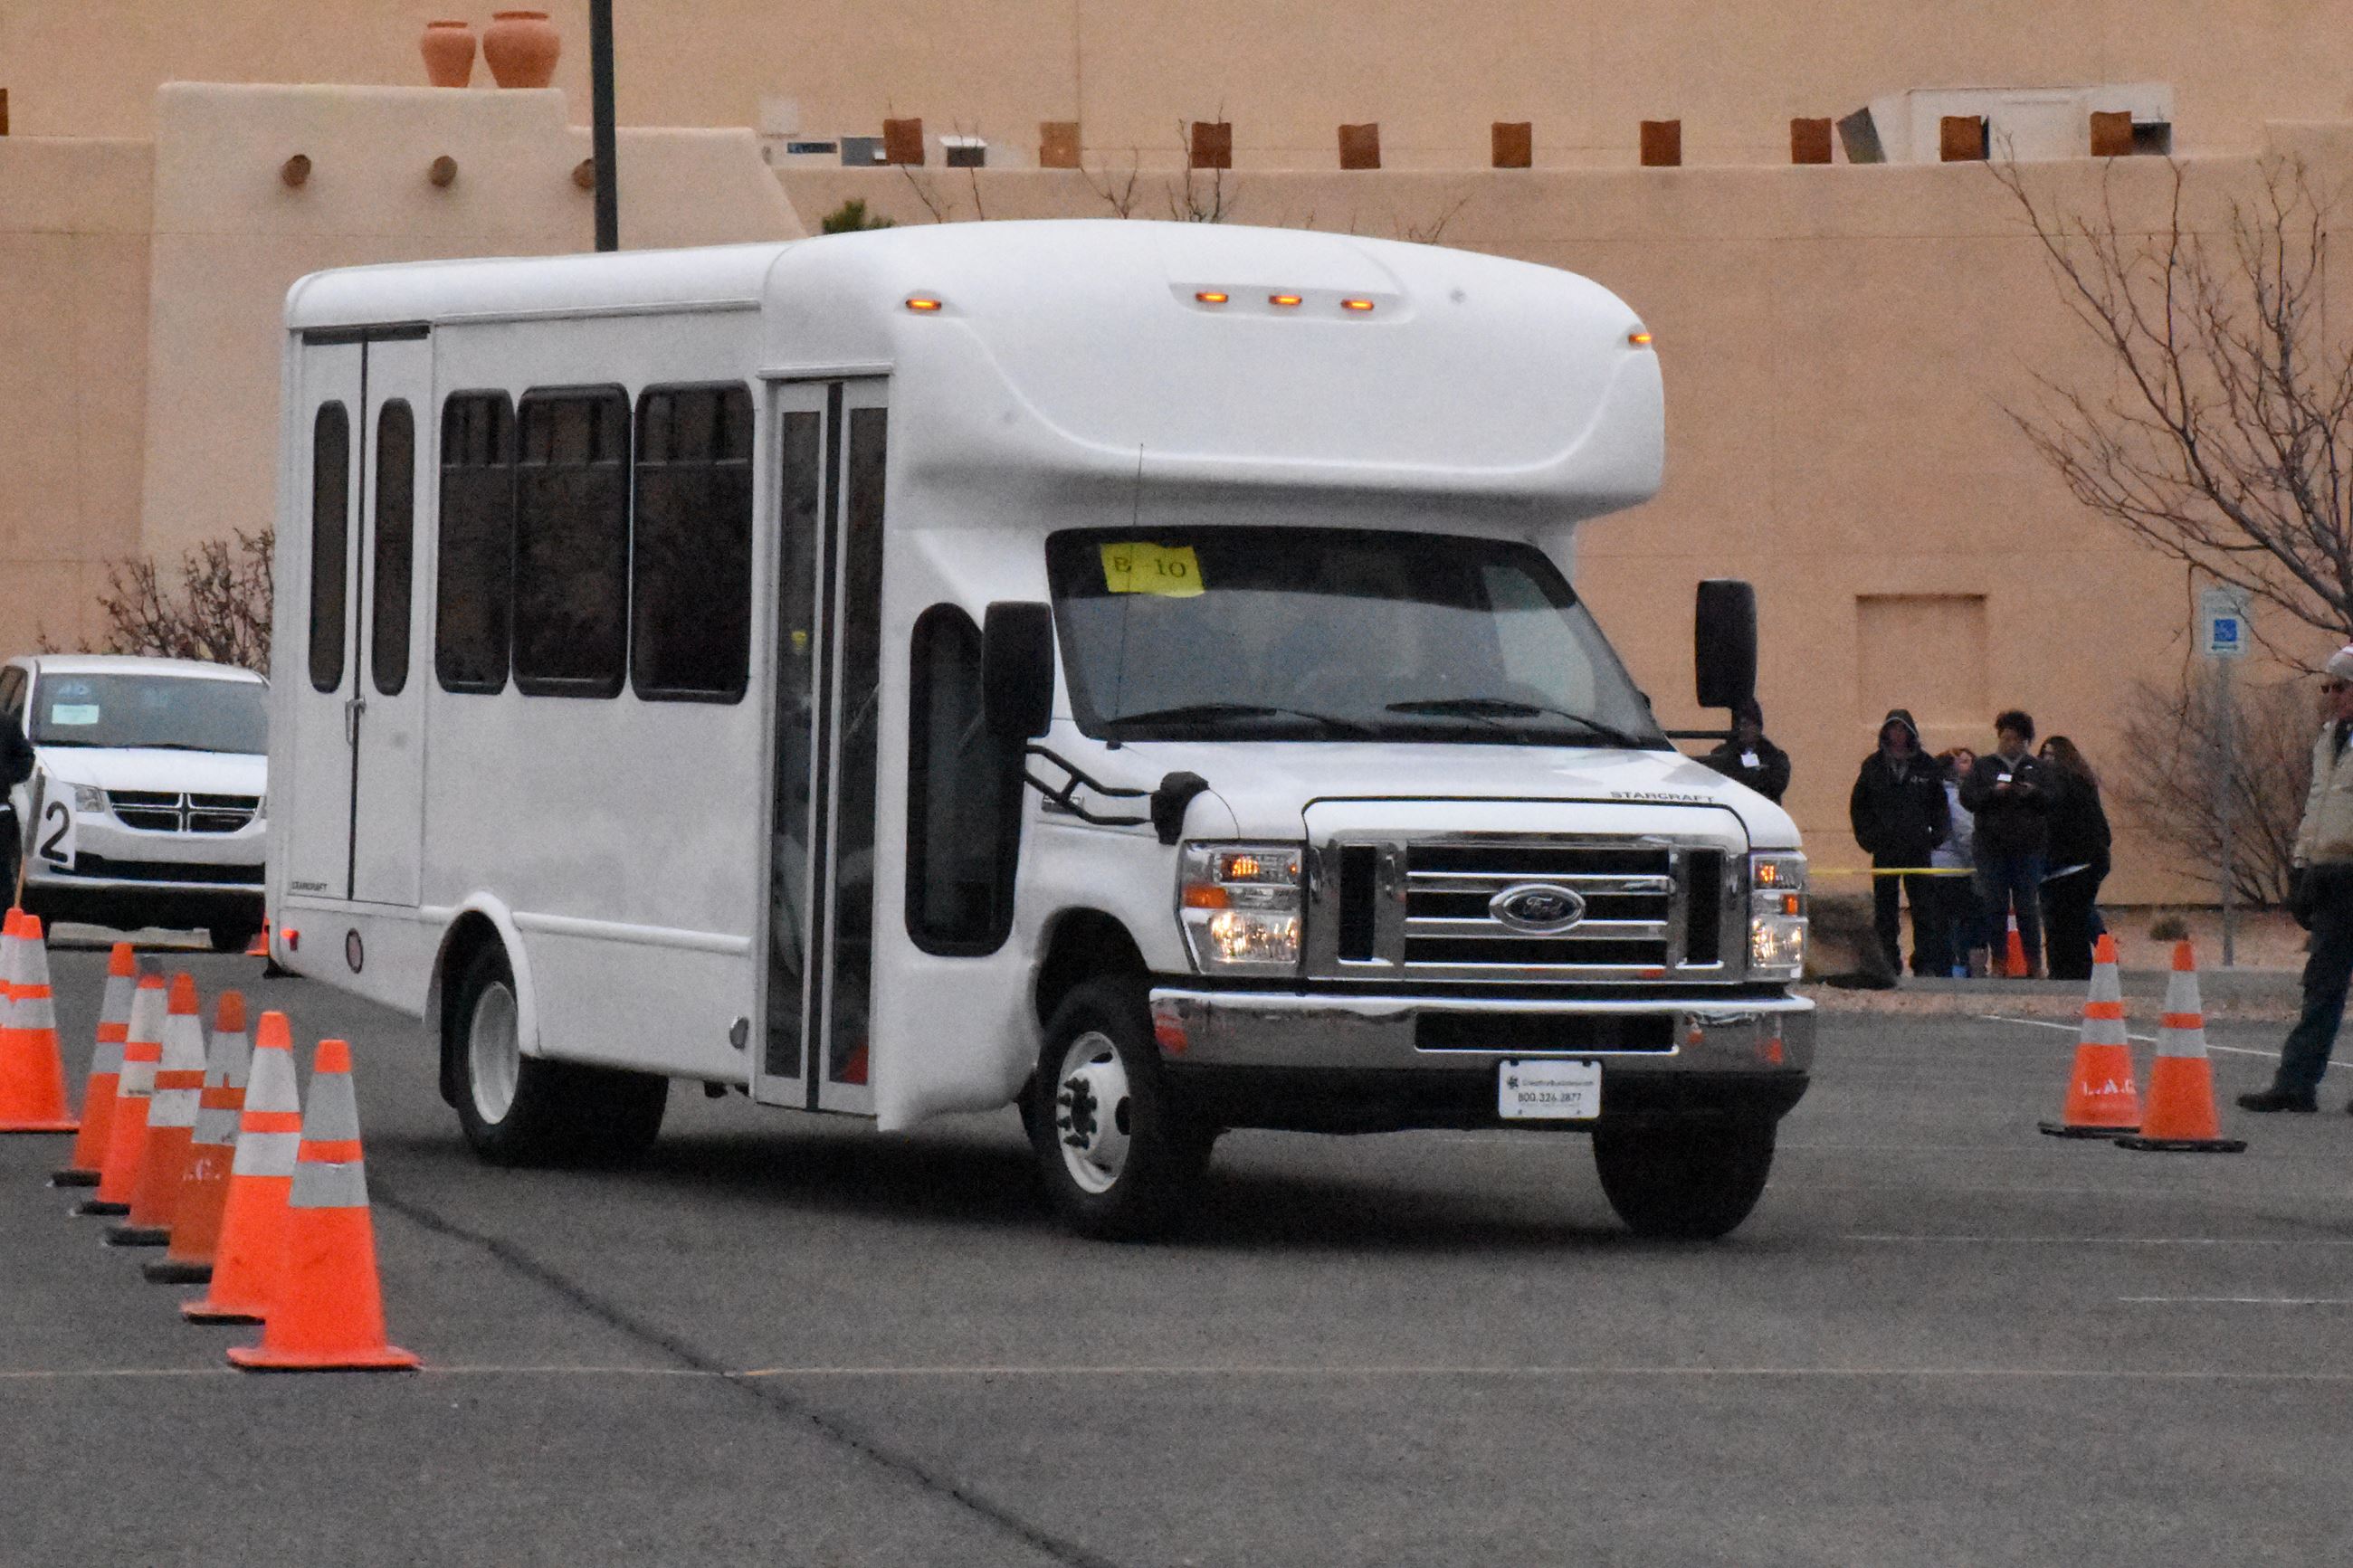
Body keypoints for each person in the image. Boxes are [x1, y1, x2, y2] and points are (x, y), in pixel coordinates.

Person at [2241, 649, 2353, 1113]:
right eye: (2327, 687)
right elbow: (2316, 807)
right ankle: (2295, 1083)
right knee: (2321, 984)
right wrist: (2302, 866)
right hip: (2331, 874)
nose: (2331, 696)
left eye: (2340, 687)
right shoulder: (2328, 741)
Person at [1848, 708, 1950, 977]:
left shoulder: (1927, 765)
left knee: (1923, 907)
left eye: (1902, 728)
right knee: (1885, 909)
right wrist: (1868, 839)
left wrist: (1936, 837)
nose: (1898, 733)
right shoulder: (1873, 766)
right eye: (1893, 728)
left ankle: (1924, 961)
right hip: (1885, 848)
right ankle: (1888, 960)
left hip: (1918, 848)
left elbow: (1940, 806)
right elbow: (1859, 806)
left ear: (1911, 732)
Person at [1960, 709, 2058, 978]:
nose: (2010, 744)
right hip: (1991, 848)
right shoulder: (1984, 766)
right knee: (1995, 905)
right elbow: (1968, 798)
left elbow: (2053, 800)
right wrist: (1992, 793)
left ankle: (2034, 962)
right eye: (2005, 738)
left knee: (2027, 906)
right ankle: (1999, 960)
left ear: (2026, 741)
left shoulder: (2038, 769)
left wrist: (2033, 793)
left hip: (2029, 848)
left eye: (2016, 739)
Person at [2036, 735, 2111, 981]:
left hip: (2074, 863)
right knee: (2068, 918)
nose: (2047, 760)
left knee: (2068, 919)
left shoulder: (2069, 784)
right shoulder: (2078, 782)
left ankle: (2073, 970)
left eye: (2051, 755)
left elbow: (2069, 824)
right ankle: (2071, 969)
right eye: (2044, 755)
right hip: (2069, 862)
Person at [1932, 747, 1986, 976]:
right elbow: (1965, 834)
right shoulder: (1954, 797)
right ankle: (1961, 967)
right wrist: (1979, 865)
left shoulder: (1941, 794)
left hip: (1939, 868)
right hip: (1956, 869)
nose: (1970, 766)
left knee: (1943, 923)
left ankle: (1948, 967)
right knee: (1965, 922)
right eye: (1963, 762)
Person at [1701, 698, 1791, 803]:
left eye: (1746, 725)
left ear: (1758, 727)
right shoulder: (1722, 753)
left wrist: (1745, 774)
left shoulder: (1774, 756)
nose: (1742, 729)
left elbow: (1776, 784)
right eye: (1739, 725)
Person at [0, 705, 33, 903]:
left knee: (2, 872)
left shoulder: (6, 724)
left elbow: (26, 758)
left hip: (1, 812)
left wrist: (4, 777)